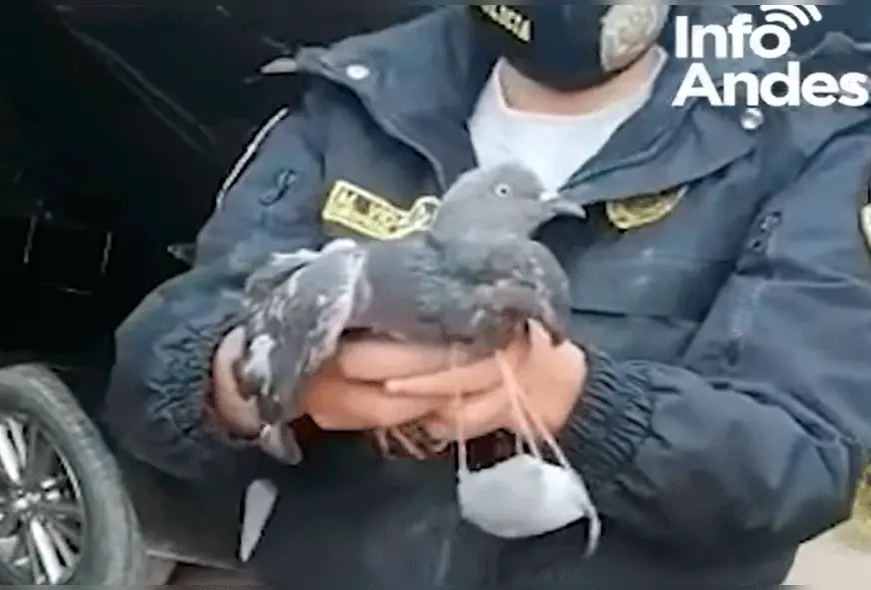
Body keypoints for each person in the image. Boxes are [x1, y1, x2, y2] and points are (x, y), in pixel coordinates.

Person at [104, 4, 871, 588]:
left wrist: (579, 400)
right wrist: (254, 376)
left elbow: (802, 464)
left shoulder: (802, 132)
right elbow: (145, 377)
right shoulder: (356, 93)